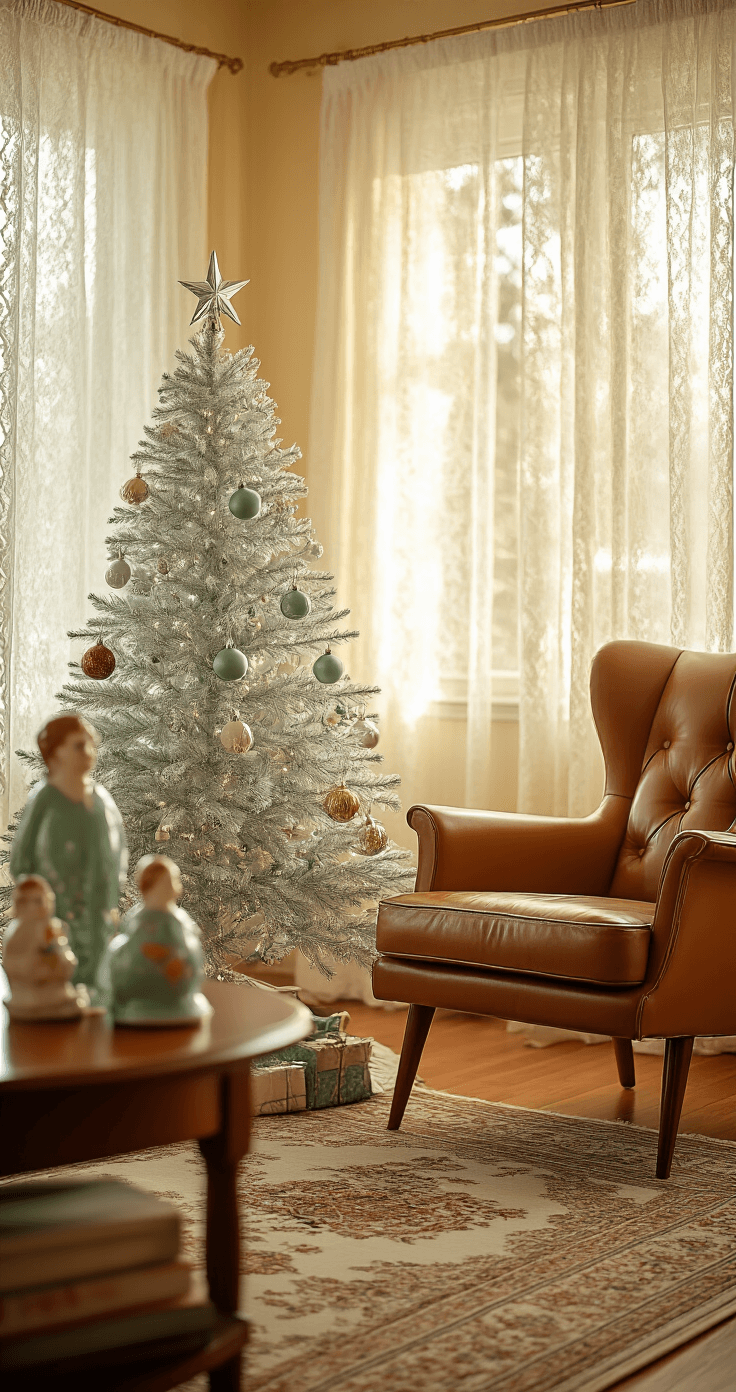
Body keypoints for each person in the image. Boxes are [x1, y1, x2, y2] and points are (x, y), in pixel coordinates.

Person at [10, 714, 127, 994]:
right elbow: (22, 858)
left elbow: (117, 850)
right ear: (56, 751)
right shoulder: (45, 799)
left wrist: (111, 898)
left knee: (96, 978)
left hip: (97, 913)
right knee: (57, 974)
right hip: (53, 917)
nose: (89, 752)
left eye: (92, 745)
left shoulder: (100, 799)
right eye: (78, 745)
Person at [100, 854, 211, 1026]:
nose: (175, 887)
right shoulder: (141, 920)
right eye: (168, 882)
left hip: (178, 990)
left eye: (173, 881)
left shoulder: (176, 920)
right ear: (149, 887)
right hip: (141, 990)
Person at [3, 875, 88, 1020]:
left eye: (42, 900)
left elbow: (64, 956)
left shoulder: (47, 927)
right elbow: (13, 964)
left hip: (39, 991)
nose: (41, 906)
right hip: (36, 992)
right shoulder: (30, 930)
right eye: (36, 901)